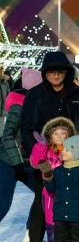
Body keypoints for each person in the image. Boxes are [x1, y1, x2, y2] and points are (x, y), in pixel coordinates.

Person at [20, 51, 79, 242]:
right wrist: (36, 155)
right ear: (45, 73)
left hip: (70, 158)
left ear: (67, 72)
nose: (56, 76)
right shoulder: (35, 94)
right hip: (45, 159)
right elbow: (27, 126)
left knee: (69, 202)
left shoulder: (76, 93)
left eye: (60, 71)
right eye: (51, 72)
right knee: (42, 201)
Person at [30, 117, 76, 242]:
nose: (60, 136)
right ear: (50, 136)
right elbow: (36, 162)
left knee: (70, 226)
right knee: (53, 227)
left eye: (64, 133)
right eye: (56, 134)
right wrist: (40, 146)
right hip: (50, 194)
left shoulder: (72, 151)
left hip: (69, 194)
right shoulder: (46, 151)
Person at [0, 69, 42, 223]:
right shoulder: (18, 106)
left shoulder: (37, 105)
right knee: (2, 205)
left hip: (28, 162)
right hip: (9, 162)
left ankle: (31, 237)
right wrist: (17, 163)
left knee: (43, 195)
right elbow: (8, 136)